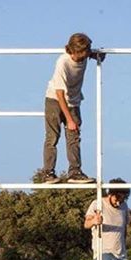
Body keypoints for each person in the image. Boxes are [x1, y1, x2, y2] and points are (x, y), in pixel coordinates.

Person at [41, 32, 105, 184]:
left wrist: (97, 56)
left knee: (74, 137)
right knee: (52, 137)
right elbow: (59, 93)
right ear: (72, 51)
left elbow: (93, 54)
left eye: (86, 53)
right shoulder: (62, 63)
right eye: (80, 54)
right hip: (55, 100)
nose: (83, 57)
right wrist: (69, 119)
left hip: (74, 101)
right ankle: (48, 173)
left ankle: (75, 172)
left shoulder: (84, 54)